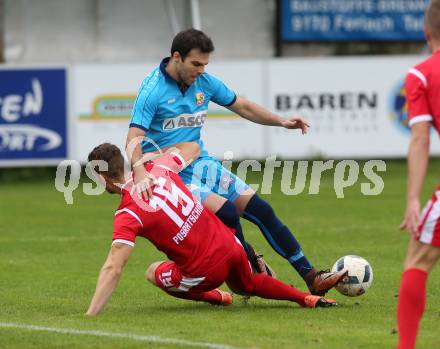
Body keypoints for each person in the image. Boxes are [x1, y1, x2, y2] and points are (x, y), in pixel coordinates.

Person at [126, 28, 346, 295]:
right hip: (174, 178)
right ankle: (249, 266)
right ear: (176, 57)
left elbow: (241, 105)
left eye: (205, 64)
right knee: (228, 214)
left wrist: (281, 121)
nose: (201, 70)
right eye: (196, 64)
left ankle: (312, 276)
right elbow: (134, 136)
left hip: (202, 164)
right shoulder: (152, 91)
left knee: (261, 209)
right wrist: (138, 169)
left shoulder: (203, 82)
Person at [85, 142, 338, 315]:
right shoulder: (159, 168)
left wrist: (91, 312)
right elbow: (193, 147)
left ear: (101, 177)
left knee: (152, 272)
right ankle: (305, 297)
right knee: (246, 284)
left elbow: (113, 267)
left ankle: (217, 297)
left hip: (206, 272)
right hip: (232, 246)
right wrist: (147, 161)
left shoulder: (127, 212)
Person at [398, 1, 440, 348]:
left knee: (418, 259)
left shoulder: (423, 74)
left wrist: (413, 197)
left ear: (427, 33)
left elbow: (421, 138)